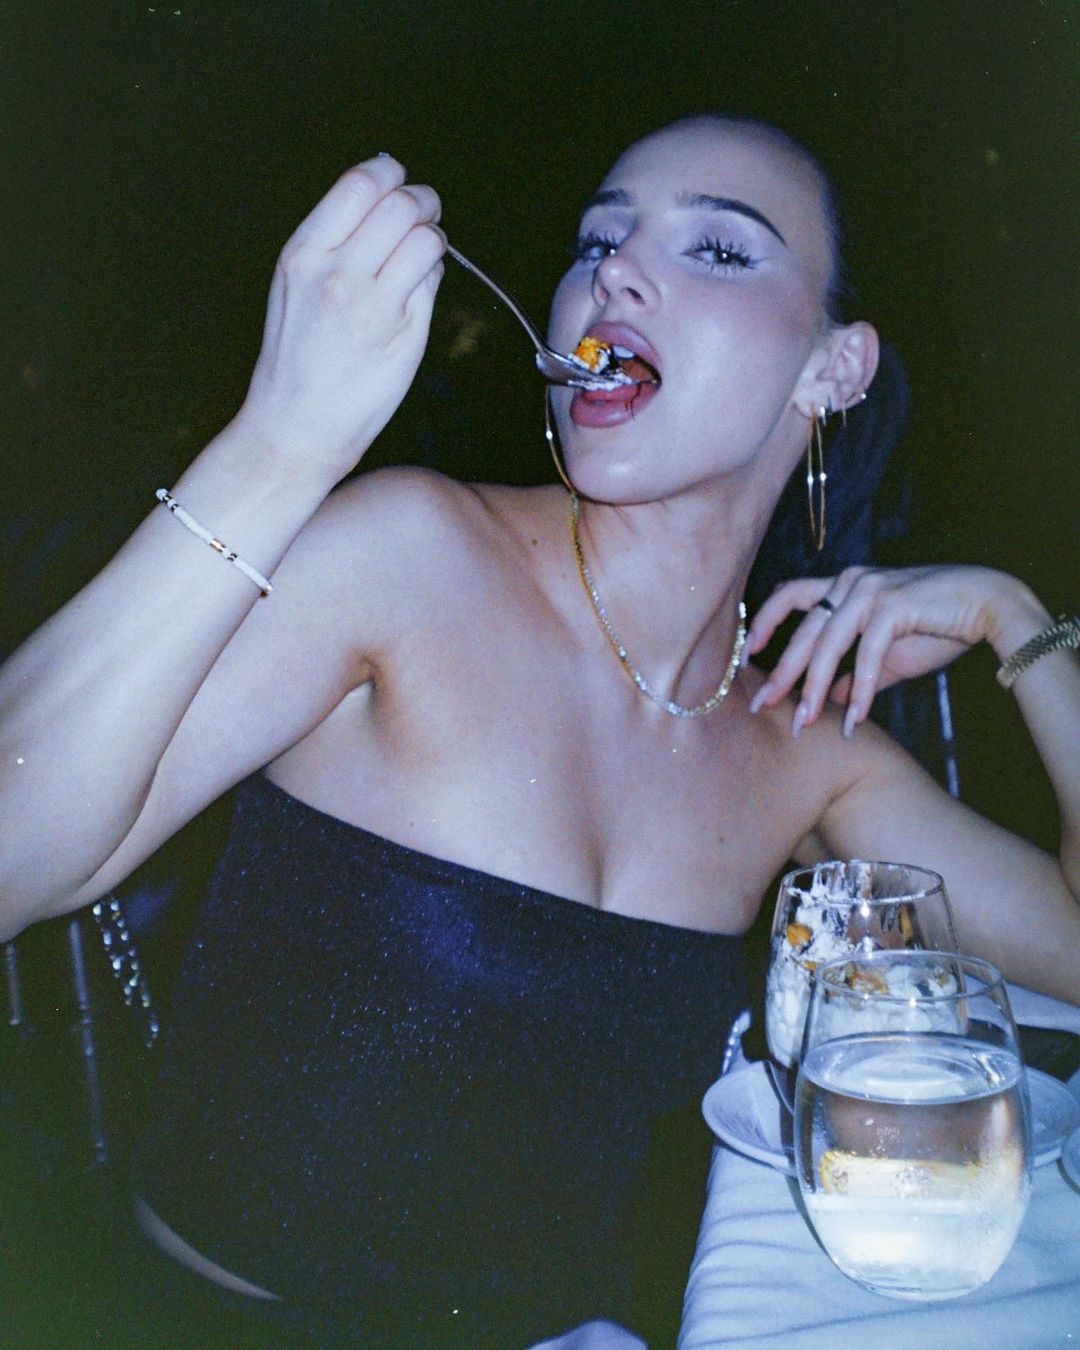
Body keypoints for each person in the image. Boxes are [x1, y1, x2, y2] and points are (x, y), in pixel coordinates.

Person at [1, 115, 1077, 1347]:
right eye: (598, 242)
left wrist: (1020, 625)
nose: (615, 275)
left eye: (719, 251)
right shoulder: (411, 556)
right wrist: (278, 447)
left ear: (834, 369)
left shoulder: (800, 746)